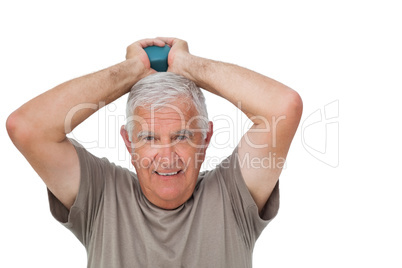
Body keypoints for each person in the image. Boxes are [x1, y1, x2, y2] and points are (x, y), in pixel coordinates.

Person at [6, 37, 303, 267]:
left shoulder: (234, 196)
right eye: (149, 137)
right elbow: (27, 127)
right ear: (129, 143)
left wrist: (189, 65)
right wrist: (131, 70)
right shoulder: (100, 194)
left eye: (182, 136)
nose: (167, 155)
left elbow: (283, 107)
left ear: (205, 138)